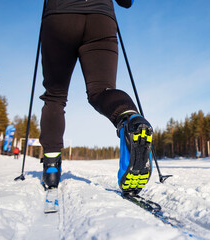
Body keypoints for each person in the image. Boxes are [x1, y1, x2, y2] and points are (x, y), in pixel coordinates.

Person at [39, 0, 153, 196]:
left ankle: (51, 167)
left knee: (55, 97)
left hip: (60, 15)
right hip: (101, 20)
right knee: (102, 90)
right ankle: (129, 118)